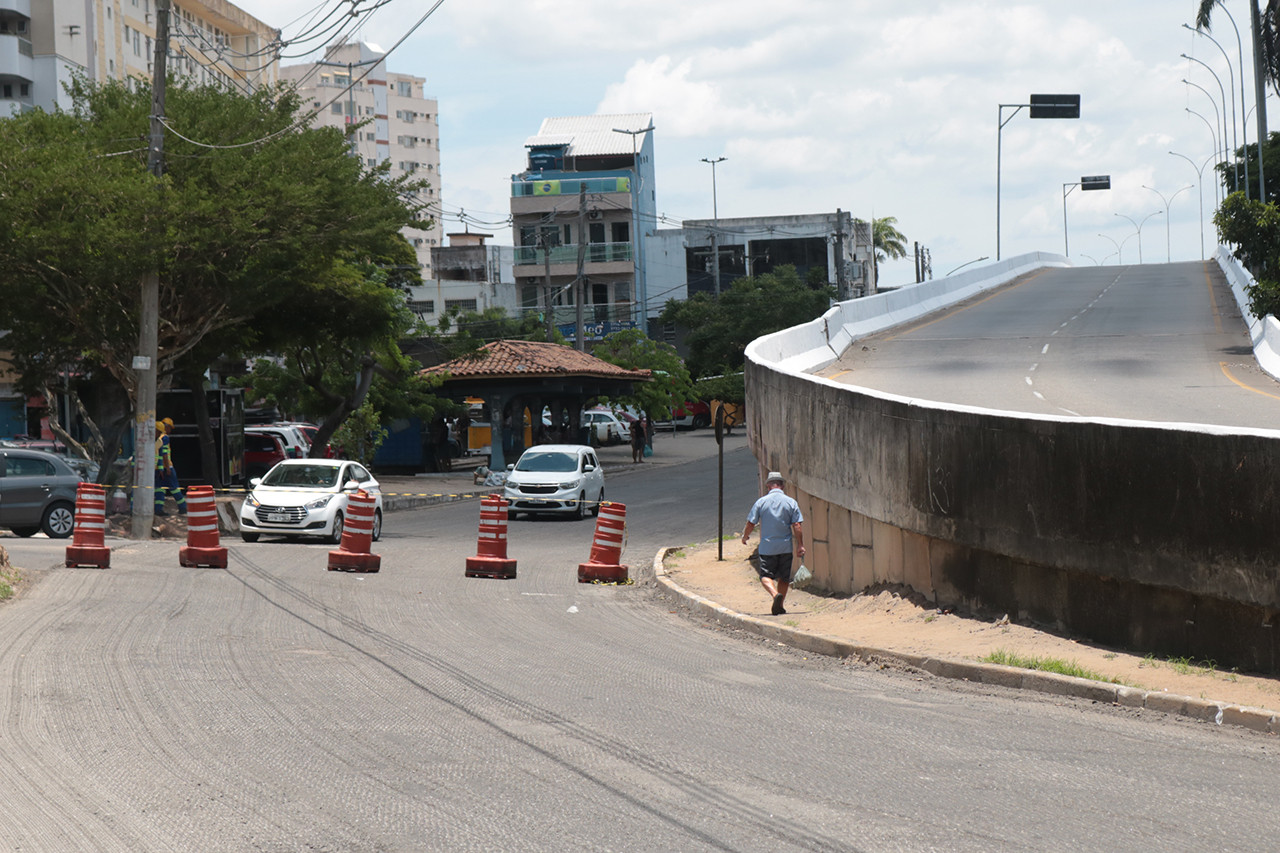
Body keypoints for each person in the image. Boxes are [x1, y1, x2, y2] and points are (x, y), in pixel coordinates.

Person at [741, 471, 804, 615]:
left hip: (767, 547)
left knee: (765, 576)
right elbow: (797, 526)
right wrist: (800, 544)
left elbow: (751, 523)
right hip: (785, 546)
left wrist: (745, 537)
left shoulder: (761, 502)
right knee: (784, 578)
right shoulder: (791, 502)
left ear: (768, 486)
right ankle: (779, 606)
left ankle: (775, 595)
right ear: (782, 486)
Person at [154, 418, 186, 517]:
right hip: (167, 467)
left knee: (159, 489)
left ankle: (158, 509)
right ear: (166, 426)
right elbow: (164, 454)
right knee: (174, 488)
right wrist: (167, 468)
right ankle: (183, 507)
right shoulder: (164, 437)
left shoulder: (156, 437)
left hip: (157, 468)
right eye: (170, 428)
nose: (170, 431)